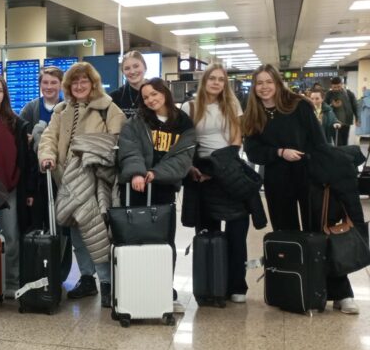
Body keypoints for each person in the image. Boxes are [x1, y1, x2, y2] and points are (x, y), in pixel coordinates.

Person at [243, 64, 358, 314]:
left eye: (269, 82)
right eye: (259, 83)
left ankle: (341, 293)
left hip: (309, 176)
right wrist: (279, 152)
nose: (264, 87)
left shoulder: (298, 105)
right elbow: (252, 151)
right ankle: (295, 290)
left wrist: (327, 174)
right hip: (277, 181)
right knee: (287, 234)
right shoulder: (253, 114)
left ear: (277, 83)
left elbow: (319, 142)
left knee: (319, 232)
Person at [39, 62, 126, 308]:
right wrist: (47, 155)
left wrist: (89, 152)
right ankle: (87, 278)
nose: (79, 86)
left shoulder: (108, 108)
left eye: (84, 81)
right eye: (74, 82)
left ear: (93, 83)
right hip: (67, 180)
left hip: (97, 180)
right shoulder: (61, 110)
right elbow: (49, 138)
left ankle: (107, 282)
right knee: (77, 231)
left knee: (97, 231)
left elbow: (117, 143)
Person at [117, 78, 196, 313]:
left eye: (154, 94)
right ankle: (135, 286)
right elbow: (129, 149)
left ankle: (163, 286)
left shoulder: (183, 123)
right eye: (146, 97)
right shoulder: (136, 122)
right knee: (135, 239)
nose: (151, 100)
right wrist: (138, 173)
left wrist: (155, 173)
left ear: (165, 93)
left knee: (164, 240)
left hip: (163, 189)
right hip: (136, 189)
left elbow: (182, 158)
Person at [181, 64, 257, 304]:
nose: (216, 83)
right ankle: (212, 284)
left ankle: (237, 285)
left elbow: (236, 139)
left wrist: (222, 167)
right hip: (201, 174)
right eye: (212, 78)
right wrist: (192, 168)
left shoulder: (232, 105)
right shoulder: (190, 107)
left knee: (237, 233)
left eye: (221, 79)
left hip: (229, 171)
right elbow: (185, 142)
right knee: (207, 231)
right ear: (204, 81)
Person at [0, 75, 33, 297]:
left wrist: (27, 189)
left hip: (9, 189)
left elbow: (24, 159)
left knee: (11, 237)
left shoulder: (15, 123)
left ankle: (11, 282)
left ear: (5, 95)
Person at [325, 76, 359, 145]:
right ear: (331, 86)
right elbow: (324, 106)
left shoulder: (349, 93)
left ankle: (344, 151)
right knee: (338, 142)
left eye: (338, 86)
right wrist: (332, 105)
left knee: (345, 141)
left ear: (342, 84)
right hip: (334, 122)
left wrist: (357, 118)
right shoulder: (329, 94)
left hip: (346, 122)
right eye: (334, 87)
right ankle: (339, 152)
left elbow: (355, 106)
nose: (337, 89)